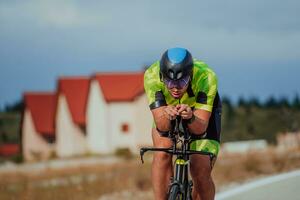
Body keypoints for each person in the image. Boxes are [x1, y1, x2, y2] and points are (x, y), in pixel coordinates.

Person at [144, 47, 222, 200]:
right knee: (161, 153)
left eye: (182, 81)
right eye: (168, 81)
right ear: (161, 76)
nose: (175, 88)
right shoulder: (151, 76)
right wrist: (167, 115)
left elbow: (200, 129)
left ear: (191, 75)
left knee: (200, 167)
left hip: (199, 114)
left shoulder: (206, 77)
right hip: (167, 110)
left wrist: (191, 117)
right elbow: (162, 127)